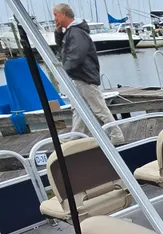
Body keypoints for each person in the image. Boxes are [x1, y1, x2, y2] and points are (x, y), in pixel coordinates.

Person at [53, 3, 125, 145]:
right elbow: (63, 48)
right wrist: (58, 32)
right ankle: (76, 137)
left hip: (85, 77)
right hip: (79, 76)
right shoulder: (70, 32)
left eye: (55, 15)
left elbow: (77, 55)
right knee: (78, 109)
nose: (54, 18)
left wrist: (64, 70)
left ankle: (117, 135)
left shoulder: (76, 33)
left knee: (99, 108)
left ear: (63, 14)